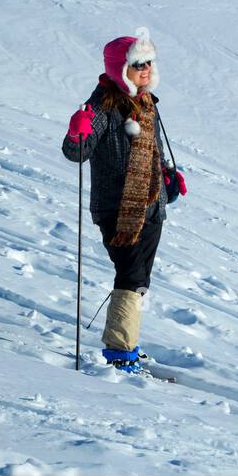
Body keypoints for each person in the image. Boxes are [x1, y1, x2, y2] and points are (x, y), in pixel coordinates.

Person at [62, 34, 186, 373]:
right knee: (130, 277)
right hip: (117, 210)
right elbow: (77, 152)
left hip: (150, 207)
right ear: (121, 68)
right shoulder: (103, 105)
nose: (145, 69)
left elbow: (152, 149)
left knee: (140, 279)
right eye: (137, 64)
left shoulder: (146, 102)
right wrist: (77, 132)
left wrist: (167, 177)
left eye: (148, 63)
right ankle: (119, 353)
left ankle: (128, 344)